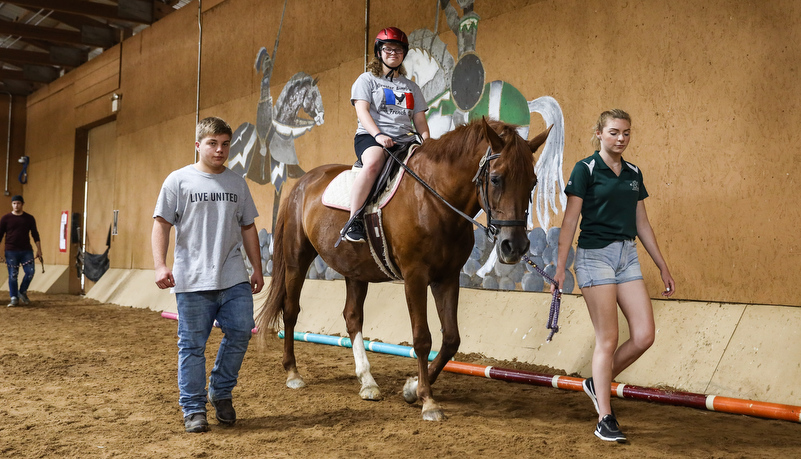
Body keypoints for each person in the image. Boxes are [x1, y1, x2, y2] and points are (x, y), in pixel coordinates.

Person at [551, 109, 675, 443]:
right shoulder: (586, 169)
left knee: (644, 335)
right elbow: (569, 222)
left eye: (626, 133)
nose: (621, 139)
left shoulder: (634, 173)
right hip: (595, 259)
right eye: (614, 132)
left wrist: (662, 265)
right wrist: (561, 267)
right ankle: (605, 417)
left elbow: (642, 223)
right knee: (607, 338)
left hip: (627, 257)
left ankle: (596, 383)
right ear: (599, 133)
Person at [152, 117, 264, 433]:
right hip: (191, 280)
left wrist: (256, 267)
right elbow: (161, 223)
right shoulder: (178, 181)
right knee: (192, 346)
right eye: (213, 143)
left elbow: (248, 226)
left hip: (233, 277)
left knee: (242, 331)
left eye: (225, 143)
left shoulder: (237, 183)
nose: (220, 150)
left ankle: (221, 391)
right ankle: (193, 409)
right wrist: (160, 265)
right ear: (199, 145)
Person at [342, 26, 430, 242]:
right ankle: (354, 219)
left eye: (398, 50)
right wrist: (378, 135)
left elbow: (419, 120)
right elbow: (362, 111)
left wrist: (428, 142)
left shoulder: (411, 87)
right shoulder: (366, 80)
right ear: (379, 52)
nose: (393, 53)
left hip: (405, 140)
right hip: (371, 137)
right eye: (388, 49)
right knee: (373, 163)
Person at [0, 195, 42, 307]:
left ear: (22, 204)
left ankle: (22, 292)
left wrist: (39, 250)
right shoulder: (5, 218)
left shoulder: (29, 218)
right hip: (11, 251)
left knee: (30, 272)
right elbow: (0, 235)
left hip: (26, 250)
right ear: (11, 204)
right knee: (13, 275)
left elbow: (35, 234)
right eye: (14, 203)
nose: (16, 205)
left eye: (18, 203)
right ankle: (13, 297)